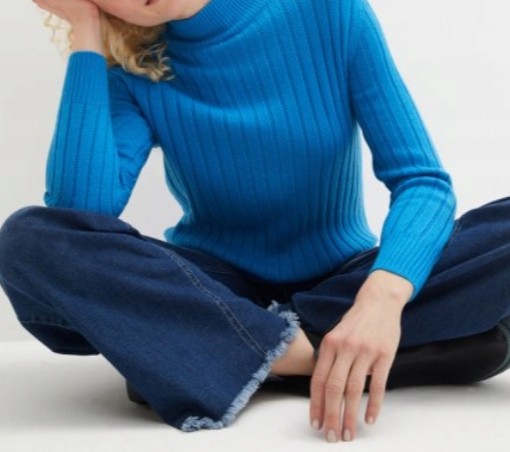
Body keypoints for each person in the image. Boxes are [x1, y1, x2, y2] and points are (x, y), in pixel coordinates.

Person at [1, 0, 510, 443]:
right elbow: (78, 215)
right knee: (31, 239)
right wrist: (87, 34)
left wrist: (382, 299)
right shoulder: (135, 68)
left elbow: (421, 180)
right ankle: (308, 356)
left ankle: (204, 353)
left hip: (343, 283)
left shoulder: (329, 11)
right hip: (214, 287)